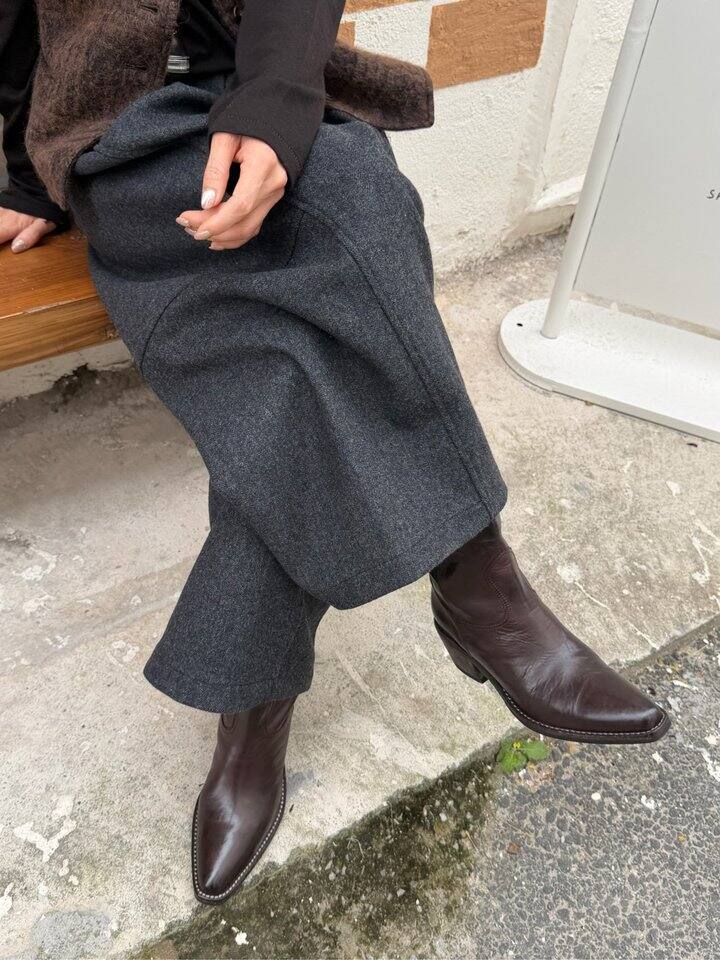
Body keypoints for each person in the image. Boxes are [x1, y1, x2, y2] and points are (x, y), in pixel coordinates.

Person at [0, 0, 669, 905]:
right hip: (125, 133)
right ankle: (477, 581)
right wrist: (25, 176)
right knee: (299, 328)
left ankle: (256, 709)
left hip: (271, 87)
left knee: (353, 212)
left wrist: (276, 103)